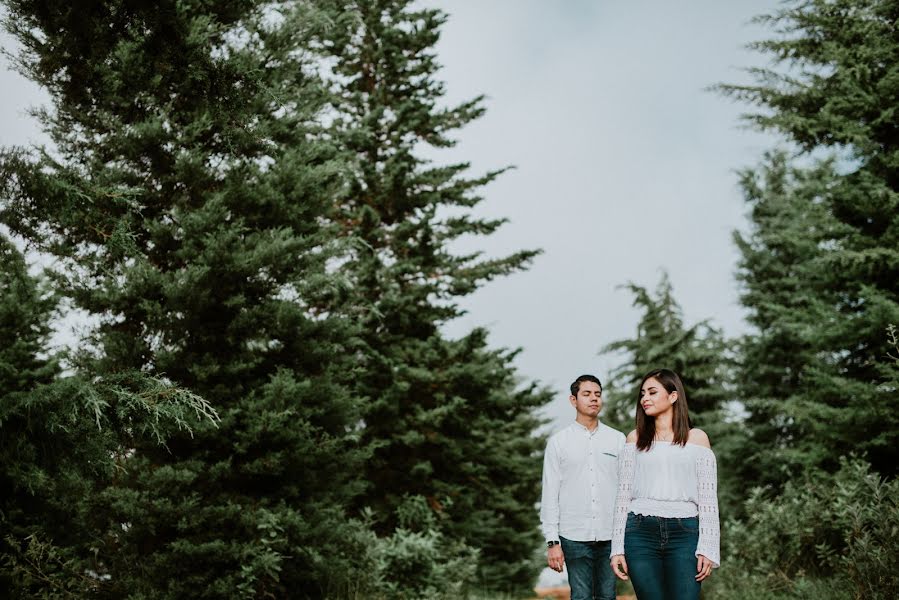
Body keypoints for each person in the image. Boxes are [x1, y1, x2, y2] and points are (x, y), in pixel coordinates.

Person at [609, 368, 720, 600]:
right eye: (642, 394)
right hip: (639, 533)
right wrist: (617, 548)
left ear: (673, 396)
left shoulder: (698, 439)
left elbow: (709, 500)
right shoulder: (635, 439)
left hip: (686, 533)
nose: (644, 399)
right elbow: (623, 497)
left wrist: (708, 548)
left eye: (651, 392)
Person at [540, 374, 626, 600]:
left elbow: (627, 491)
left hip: (610, 535)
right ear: (573, 400)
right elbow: (550, 494)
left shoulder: (617, 440)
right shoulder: (558, 442)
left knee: (608, 596)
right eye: (586, 394)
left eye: (598, 394)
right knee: (581, 596)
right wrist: (552, 542)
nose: (594, 399)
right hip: (573, 535)